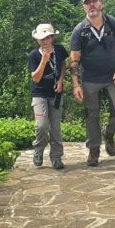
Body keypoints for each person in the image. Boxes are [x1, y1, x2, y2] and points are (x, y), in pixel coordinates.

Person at [70, 0, 115, 167]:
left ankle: (109, 134)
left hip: (112, 76)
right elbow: (74, 58)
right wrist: (75, 84)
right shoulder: (80, 30)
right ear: (84, 7)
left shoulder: (112, 23)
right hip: (90, 78)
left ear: (101, 4)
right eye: (87, 3)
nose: (91, 5)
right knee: (92, 115)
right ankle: (94, 149)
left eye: (94, 2)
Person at [29, 23, 68, 170]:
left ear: (52, 37)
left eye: (47, 37)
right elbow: (35, 78)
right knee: (41, 126)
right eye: (41, 38)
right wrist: (44, 60)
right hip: (39, 94)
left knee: (55, 128)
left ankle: (56, 157)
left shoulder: (59, 50)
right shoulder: (34, 55)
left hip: (56, 94)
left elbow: (63, 64)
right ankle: (39, 150)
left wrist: (60, 81)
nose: (44, 41)